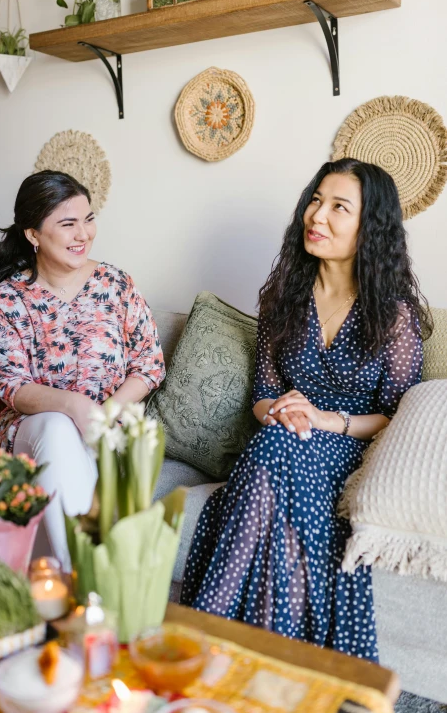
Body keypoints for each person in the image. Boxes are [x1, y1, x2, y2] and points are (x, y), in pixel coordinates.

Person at [180, 158, 432, 660]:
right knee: (275, 443)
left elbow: (396, 415)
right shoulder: (284, 299)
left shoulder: (393, 314)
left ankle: (209, 643)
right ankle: (266, 660)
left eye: (340, 206)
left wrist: (324, 420)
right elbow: (262, 396)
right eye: (316, 200)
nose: (317, 216)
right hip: (283, 440)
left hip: (350, 449)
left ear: (370, 227)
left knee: (275, 456)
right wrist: (284, 412)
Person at [0, 170, 165, 569]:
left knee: (77, 447)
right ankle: (90, 578)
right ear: (33, 234)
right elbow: (11, 386)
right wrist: (72, 406)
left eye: (89, 218)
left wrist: (104, 416)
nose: (84, 233)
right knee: (58, 428)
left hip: (110, 428)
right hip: (36, 428)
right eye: (68, 224)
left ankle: (66, 579)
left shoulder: (116, 284)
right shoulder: (8, 299)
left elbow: (149, 364)